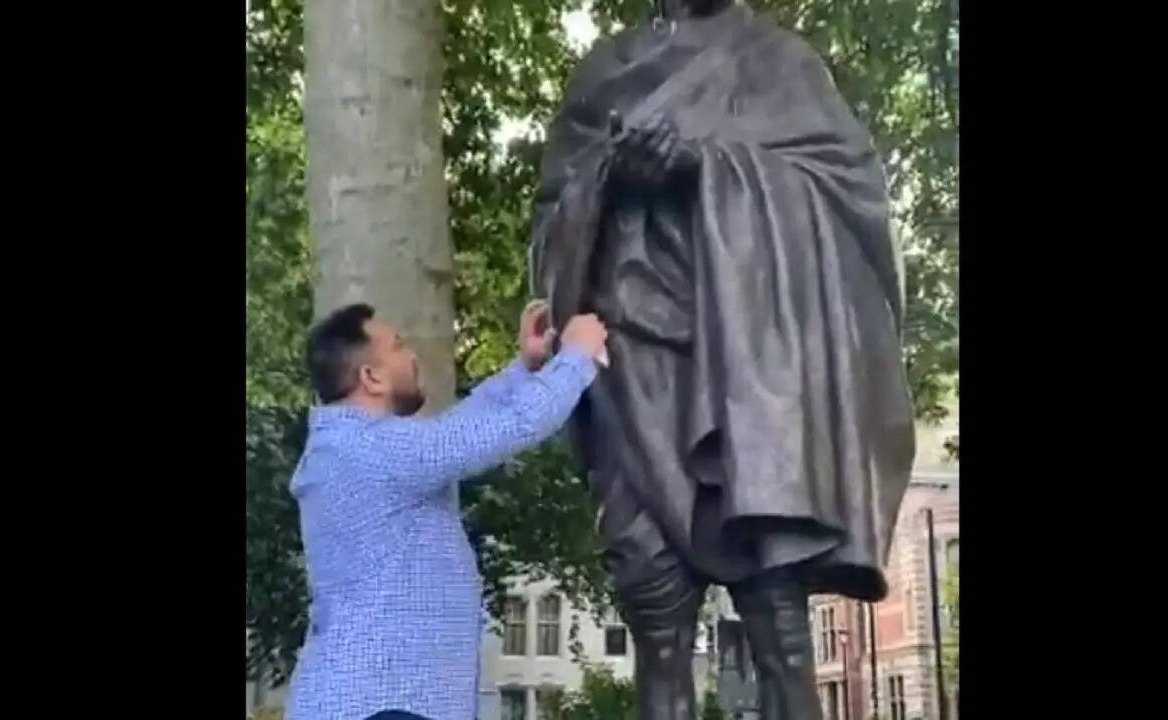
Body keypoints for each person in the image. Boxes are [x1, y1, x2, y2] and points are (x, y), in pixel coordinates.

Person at [529, 1, 915, 718]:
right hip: (633, 372)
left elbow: (852, 202)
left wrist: (705, 168)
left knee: (783, 636)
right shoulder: (605, 72)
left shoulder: (781, 63)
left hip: (754, 377)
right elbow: (551, 229)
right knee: (658, 632)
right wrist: (609, 179)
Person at [284, 300, 607, 720]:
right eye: (398, 346)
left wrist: (522, 370)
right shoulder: (371, 450)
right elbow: (513, 425)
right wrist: (578, 356)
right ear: (371, 377)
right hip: (384, 705)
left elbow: (459, 431)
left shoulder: (354, 447)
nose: (412, 356)